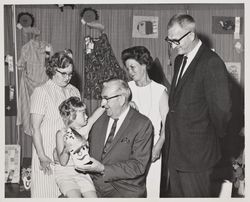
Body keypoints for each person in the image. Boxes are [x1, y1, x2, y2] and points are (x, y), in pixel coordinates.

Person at [163, 13, 232, 197]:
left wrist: (209, 138)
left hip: (198, 155)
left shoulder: (211, 62)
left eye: (176, 40)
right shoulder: (179, 59)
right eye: (169, 41)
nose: (173, 46)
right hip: (176, 152)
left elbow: (222, 110)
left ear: (191, 35)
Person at [76, 78, 154, 197]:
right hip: (93, 187)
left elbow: (138, 166)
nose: (102, 104)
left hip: (124, 190)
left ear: (121, 99)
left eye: (106, 98)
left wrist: (103, 169)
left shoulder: (142, 124)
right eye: (102, 98)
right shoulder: (98, 120)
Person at [30, 51, 81, 197]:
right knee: (46, 193)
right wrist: (41, 156)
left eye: (70, 74)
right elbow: (35, 128)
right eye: (63, 73)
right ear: (53, 70)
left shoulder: (74, 91)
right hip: (46, 155)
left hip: (67, 156)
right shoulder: (41, 92)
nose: (67, 78)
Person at [121, 46, 169, 197]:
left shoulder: (160, 91)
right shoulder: (125, 88)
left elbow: (168, 124)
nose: (130, 71)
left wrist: (158, 146)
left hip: (151, 147)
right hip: (127, 146)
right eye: (128, 68)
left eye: (133, 67)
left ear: (144, 64)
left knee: (151, 189)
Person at [53, 96, 105, 198]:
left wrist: (105, 103)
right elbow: (63, 162)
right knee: (75, 197)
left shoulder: (85, 129)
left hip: (82, 173)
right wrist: (67, 149)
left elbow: (95, 116)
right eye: (83, 114)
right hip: (65, 173)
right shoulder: (61, 134)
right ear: (73, 116)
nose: (86, 116)